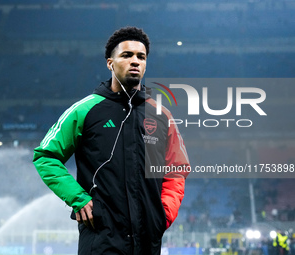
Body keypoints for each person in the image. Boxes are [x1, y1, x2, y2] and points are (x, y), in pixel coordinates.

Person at [33, 26, 190, 255]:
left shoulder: (162, 115)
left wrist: (164, 213)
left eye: (141, 57)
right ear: (110, 63)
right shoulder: (85, 110)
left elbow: (177, 169)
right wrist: (78, 199)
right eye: (127, 55)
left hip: (148, 242)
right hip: (101, 241)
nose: (135, 61)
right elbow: (46, 156)